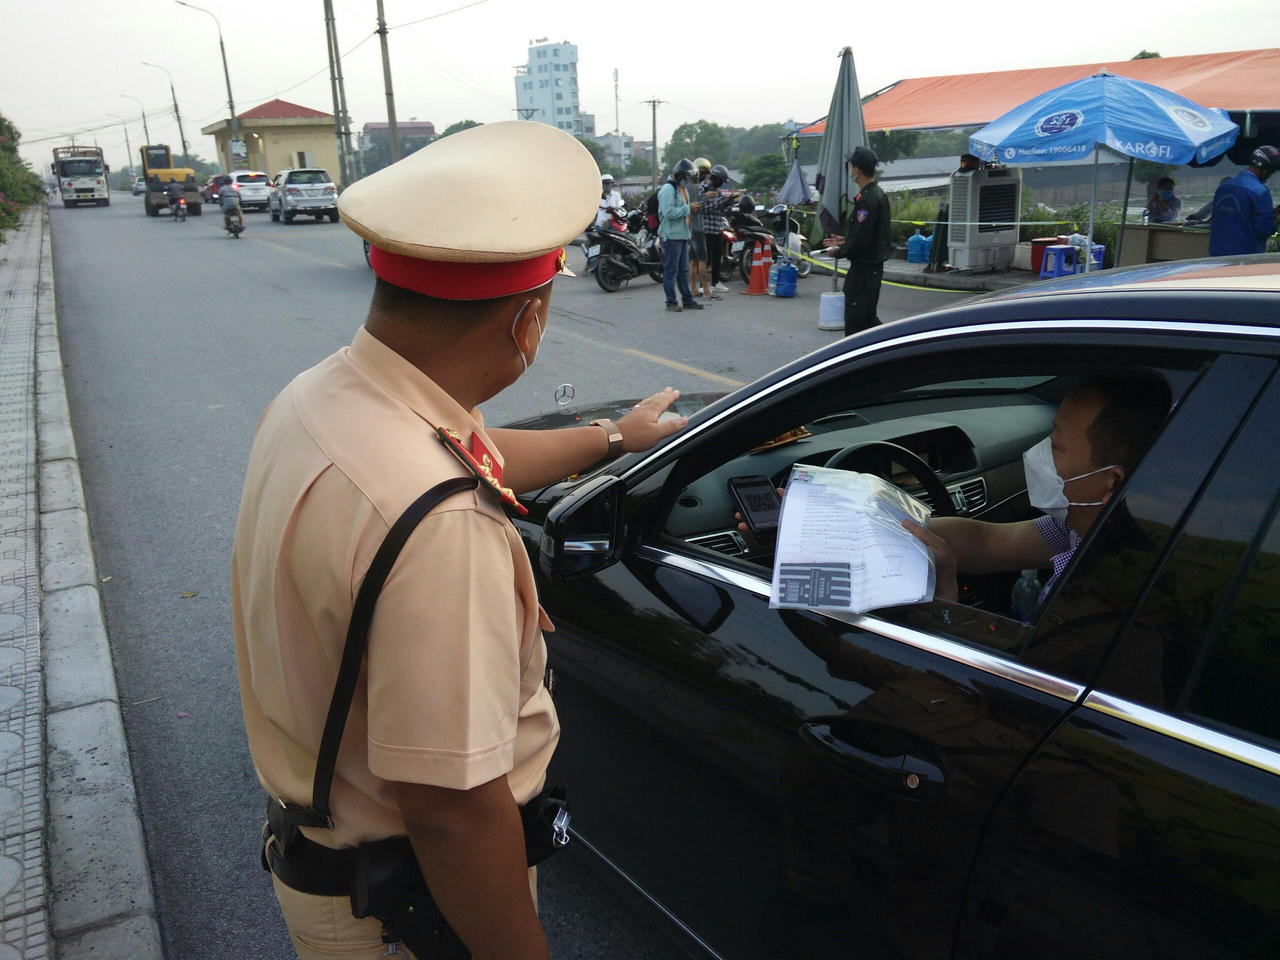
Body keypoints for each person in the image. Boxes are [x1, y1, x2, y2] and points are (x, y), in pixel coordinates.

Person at [233, 121, 689, 960]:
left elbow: (469, 455)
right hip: (407, 913)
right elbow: (451, 806)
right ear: (528, 321)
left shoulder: (321, 398)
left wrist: (613, 438)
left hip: (332, 864)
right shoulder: (441, 527)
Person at [903, 377, 1168, 607]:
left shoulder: (1104, 593)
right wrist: (895, 528)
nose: (1037, 453)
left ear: (1111, 483)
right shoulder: (1081, 529)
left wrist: (943, 595)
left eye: (1056, 445)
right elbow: (991, 542)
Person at [822, 146, 891, 336]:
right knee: (869, 321)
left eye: (851, 165)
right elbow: (870, 234)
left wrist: (838, 251)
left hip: (863, 272)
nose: (850, 169)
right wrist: (846, 240)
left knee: (856, 327)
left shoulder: (866, 200)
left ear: (857, 170)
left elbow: (861, 241)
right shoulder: (878, 194)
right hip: (873, 269)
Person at [1208, 145, 1280, 256]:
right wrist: (1276, 221)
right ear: (1267, 169)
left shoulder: (1223, 187)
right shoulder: (1260, 191)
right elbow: (1264, 230)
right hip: (1245, 257)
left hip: (1216, 254)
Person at [657, 157, 704, 313]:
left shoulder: (681, 189)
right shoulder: (668, 190)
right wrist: (688, 208)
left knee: (683, 270)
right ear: (680, 176)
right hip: (671, 236)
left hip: (682, 235)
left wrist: (691, 208)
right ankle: (670, 302)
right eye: (686, 178)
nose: (687, 181)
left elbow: (683, 209)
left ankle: (687, 300)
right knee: (671, 270)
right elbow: (668, 212)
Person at [700, 163, 737, 293]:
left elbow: (720, 210)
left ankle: (715, 283)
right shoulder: (703, 188)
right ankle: (701, 285)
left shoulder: (717, 191)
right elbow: (703, 208)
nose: (722, 184)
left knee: (717, 257)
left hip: (717, 227)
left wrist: (730, 202)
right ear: (715, 178)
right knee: (706, 259)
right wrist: (723, 201)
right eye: (721, 181)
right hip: (706, 229)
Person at [688, 158, 713, 300]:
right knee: (702, 260)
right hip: (697, 227)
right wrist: (707, 196)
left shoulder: (687, 186)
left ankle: (693, 289)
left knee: (693, 261)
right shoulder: (695, 187)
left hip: (689, 227)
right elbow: (697, 206)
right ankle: (706, 290)